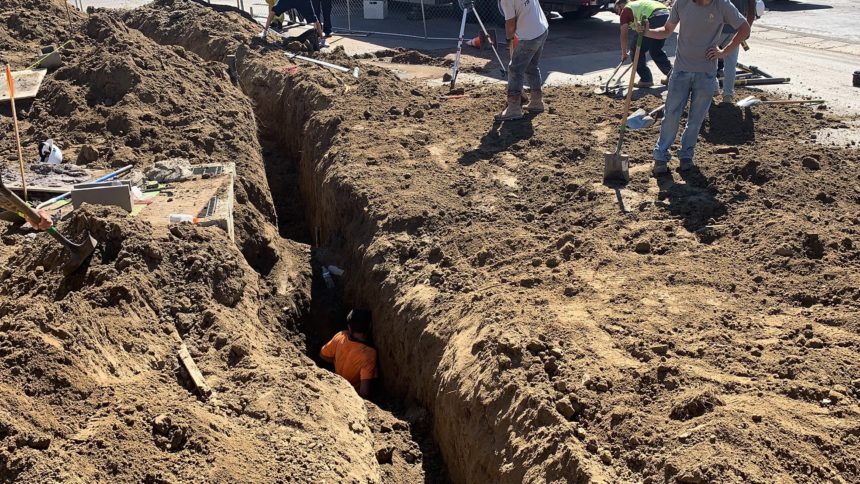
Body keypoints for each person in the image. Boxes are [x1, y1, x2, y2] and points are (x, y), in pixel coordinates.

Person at [637, 0, 750, 174]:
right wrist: (647, 32)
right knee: (671, 115)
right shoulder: (682, 3)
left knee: (696, 120)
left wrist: (724, 52)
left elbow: (745, 28)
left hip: (706, 74)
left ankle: (686, 155)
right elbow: (667, 30)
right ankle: (660, 156)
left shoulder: (722, 5)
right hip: (681, 71)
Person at [495, 0, 549, 122]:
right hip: (542, 29)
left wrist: (509, 39)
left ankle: (513, 107)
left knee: (515, 69)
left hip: (530, 36)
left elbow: (510, 24)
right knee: (531, 66)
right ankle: (536, 101)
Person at [320, 309, 378, 398]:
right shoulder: (369, 353)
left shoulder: (340, 336)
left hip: (337, 384)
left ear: (349, 327)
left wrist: (336, 360)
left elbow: (323, 355)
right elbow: (364, 392)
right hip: (352, 394)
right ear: (370, 326)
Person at [615, 0, 673, 88]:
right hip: (665, 15)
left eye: (617, 10)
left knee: (635, 48)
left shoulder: (625, 10)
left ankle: (646, 79)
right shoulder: (636, 5)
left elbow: (624, 34)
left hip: (653, 17)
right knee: (655, 50)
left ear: (620, 6)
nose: (618, 13)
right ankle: (672, 76)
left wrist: (624, 53)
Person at [718, 0, 756, 104]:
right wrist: (747, 29)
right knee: (730, 64)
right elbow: (751, 11)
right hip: (736, 30)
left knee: (711, 59)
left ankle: (712, 89)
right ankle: (727, 95)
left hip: (717, 29)